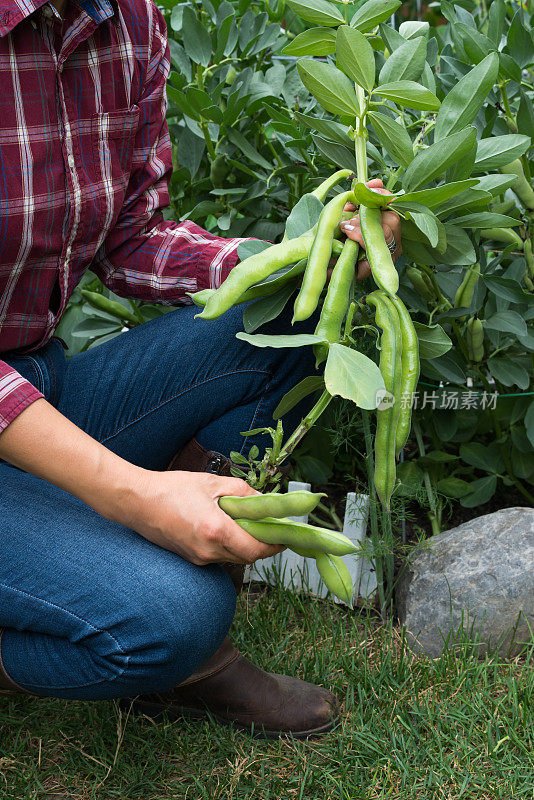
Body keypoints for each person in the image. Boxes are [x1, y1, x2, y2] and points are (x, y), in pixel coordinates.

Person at [0, 0, 401, 739]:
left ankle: (125, 584)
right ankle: (174, 642)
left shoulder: (127, 19)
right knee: (173, 617)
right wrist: (135, 496)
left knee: (294, 311)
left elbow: (135, 233)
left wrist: (310, 253)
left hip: (40, 390)